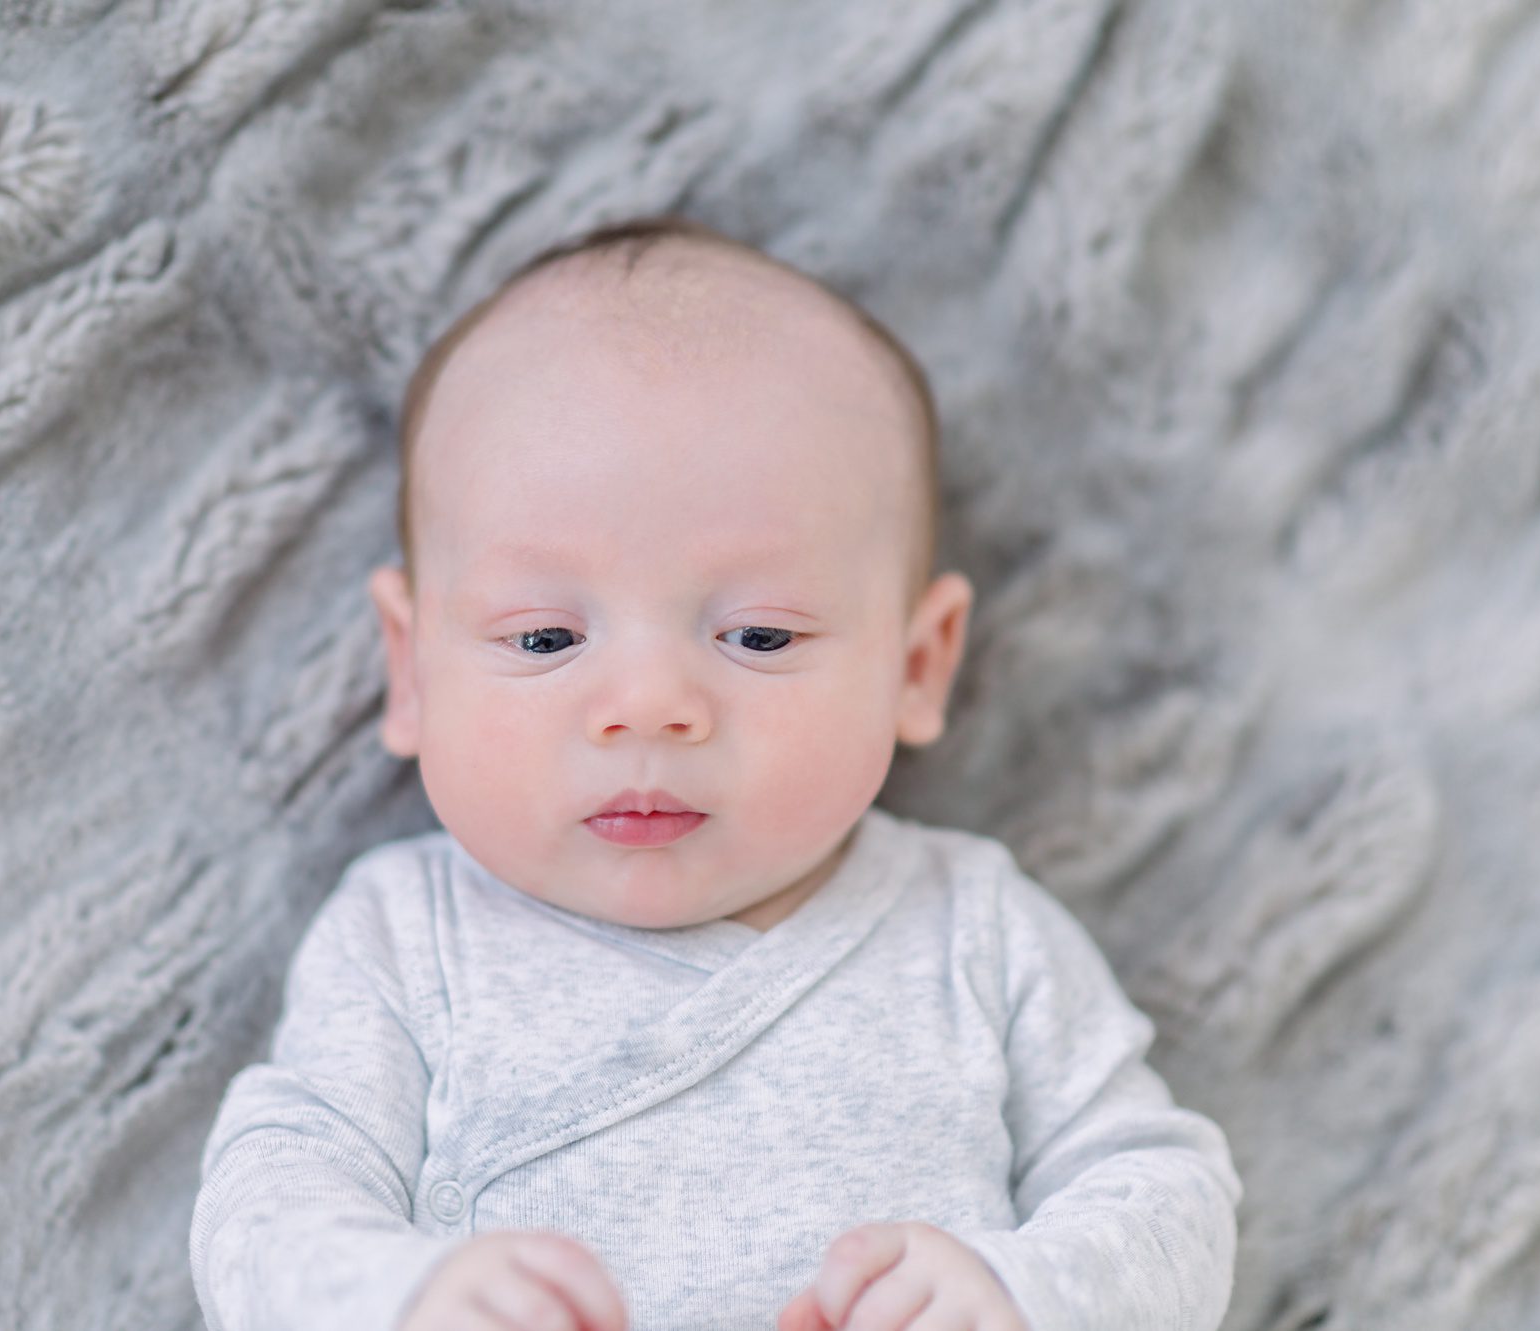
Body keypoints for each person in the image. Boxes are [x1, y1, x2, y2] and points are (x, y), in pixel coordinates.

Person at [187, 215, 1242, 1331]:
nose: (648, 705)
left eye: (759, 636)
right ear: (409, 669)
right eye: (544, 638)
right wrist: (399, 1296)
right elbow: (266, 1204)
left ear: (915, 664)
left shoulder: (973, 932)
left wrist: (1022, 1293)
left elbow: (1165, 1189)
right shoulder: (408, 939)